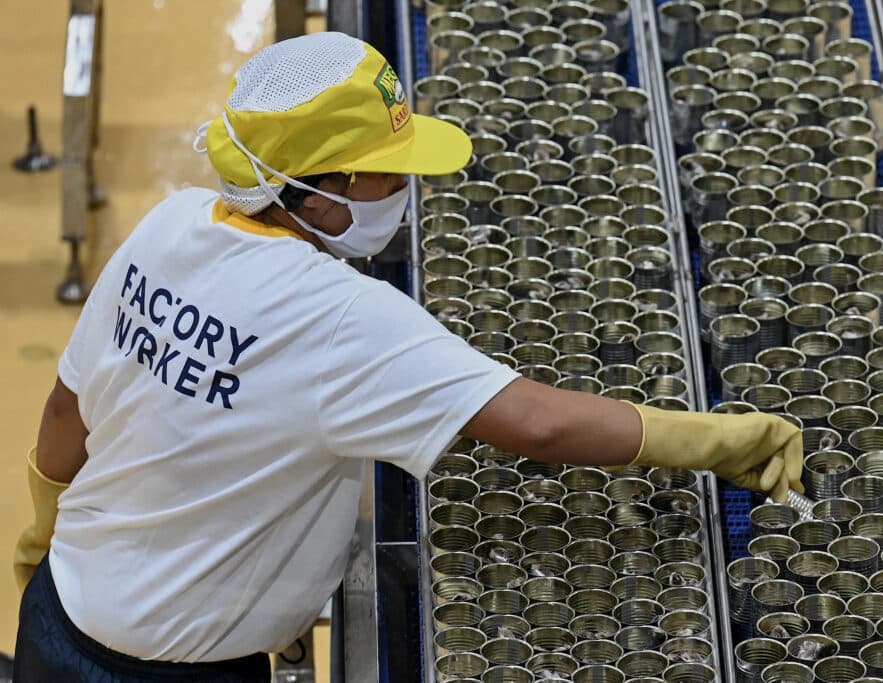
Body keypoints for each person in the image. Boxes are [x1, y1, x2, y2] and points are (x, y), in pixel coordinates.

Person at [12, 32, 802, 682]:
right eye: (387, 174)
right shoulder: (339, 317)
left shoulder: (169, 224)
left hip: (59, 613)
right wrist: (714, 440)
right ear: (318, 192)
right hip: (173, 672)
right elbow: (538, 424)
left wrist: (42, 526)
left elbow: (64, 409)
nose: (402, 189)